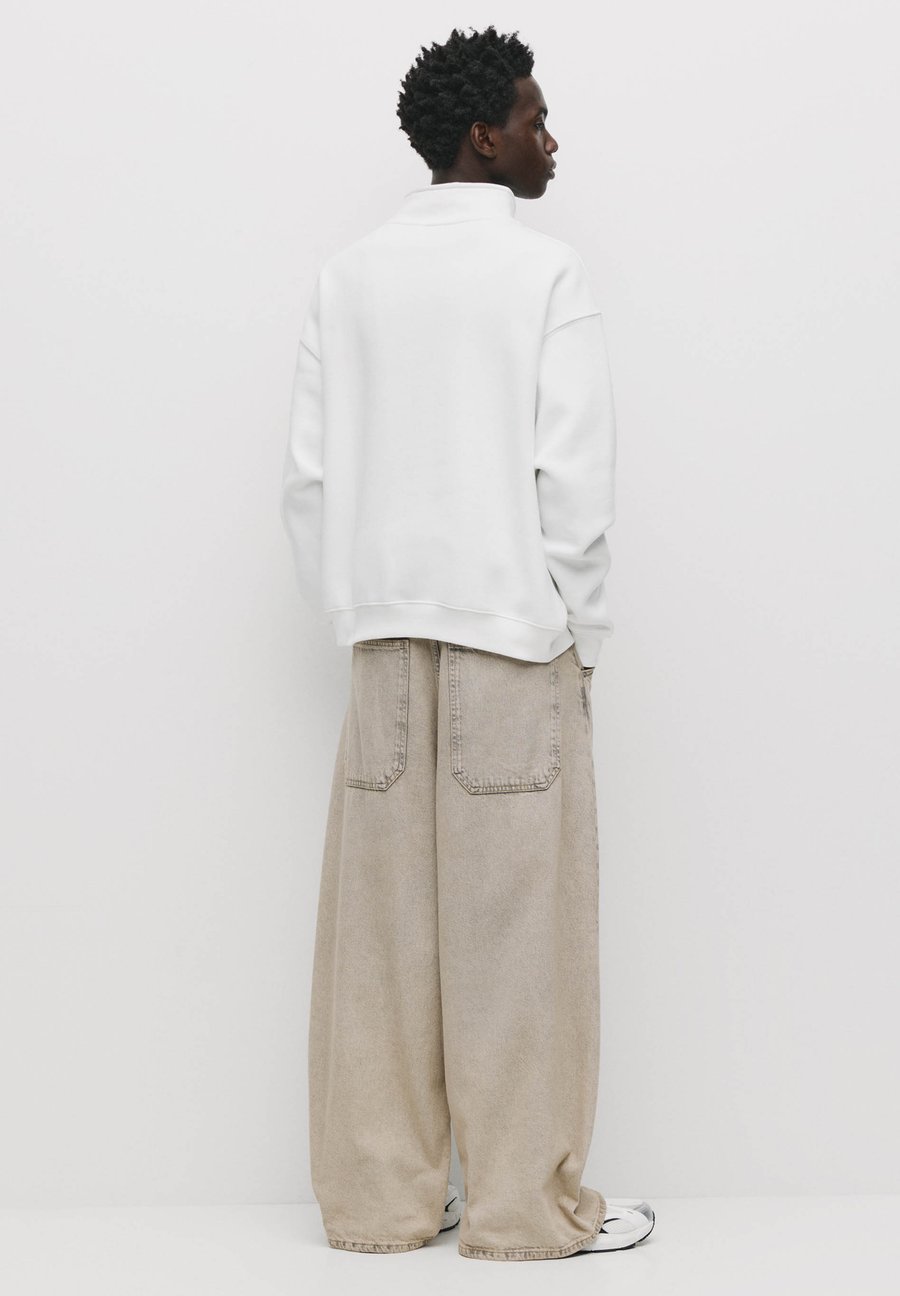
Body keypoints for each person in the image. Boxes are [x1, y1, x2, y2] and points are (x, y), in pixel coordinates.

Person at [280, 23, 654, 1262]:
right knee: (518, 941)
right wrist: (576, 630)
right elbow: (574, 483)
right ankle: (523, 1214)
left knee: (382, 942)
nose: (552, 141)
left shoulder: (347, 277)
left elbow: (308, 483)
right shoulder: (543, 275)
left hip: (385, 649)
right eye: (535, 119)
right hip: (511, 641)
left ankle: (378, 1205)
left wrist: (362, 606)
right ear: (482, 134)